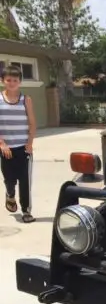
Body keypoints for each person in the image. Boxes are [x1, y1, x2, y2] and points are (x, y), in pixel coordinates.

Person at [0, 65, 36, 223]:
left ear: (20, 82)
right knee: (9, 179)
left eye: (15, 80)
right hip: (5, 148)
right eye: (8, 80)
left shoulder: (26, 99)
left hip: (24, 148)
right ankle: (10, 195)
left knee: (25, 180)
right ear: (2, 81)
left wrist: (30, 142)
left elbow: (32, 123)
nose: (12, 83)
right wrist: (2, 144)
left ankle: (26, 210)